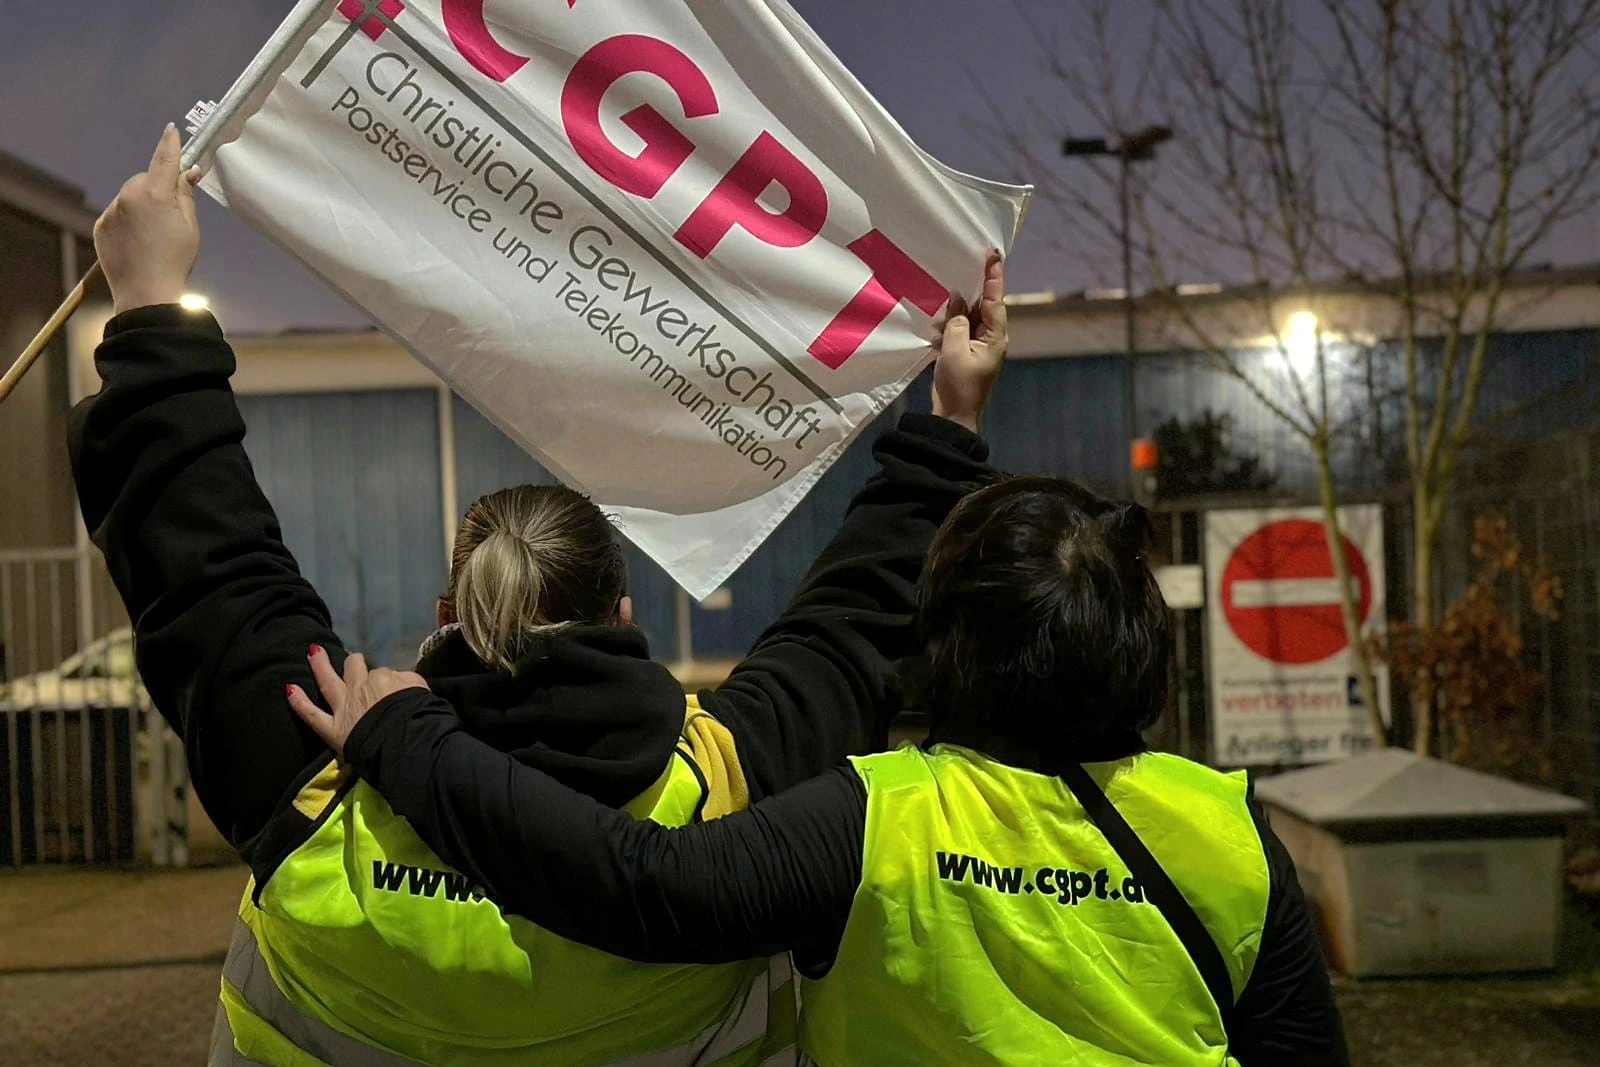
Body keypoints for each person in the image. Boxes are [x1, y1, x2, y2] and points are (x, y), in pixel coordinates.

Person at [72, 127, 1007, 1067]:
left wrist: (151, 305)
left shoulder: (320, 773)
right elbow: (856, 621)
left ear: (450, 618)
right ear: (623, 616)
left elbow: (203, 561)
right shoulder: (724, 791)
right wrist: (951, 421)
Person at [293, 488, 1353, 1065]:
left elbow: (631, 883)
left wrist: (407, 739)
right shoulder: (1224, 831)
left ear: (944, 647)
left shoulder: (873, 815)